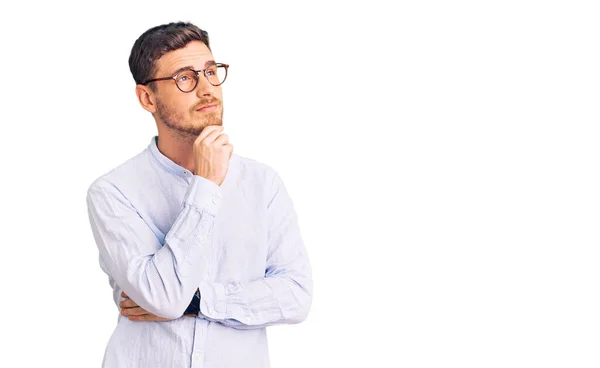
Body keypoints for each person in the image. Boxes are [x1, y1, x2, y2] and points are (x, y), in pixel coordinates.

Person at [85, 21, 313, 368]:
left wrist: (197, 302)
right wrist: (205, 185)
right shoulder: (114, 192)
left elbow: (296, 296)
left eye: (210, 71)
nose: (208, 89)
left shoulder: (262, 183)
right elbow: (164, 296)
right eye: (185, 78)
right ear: (147, 98)